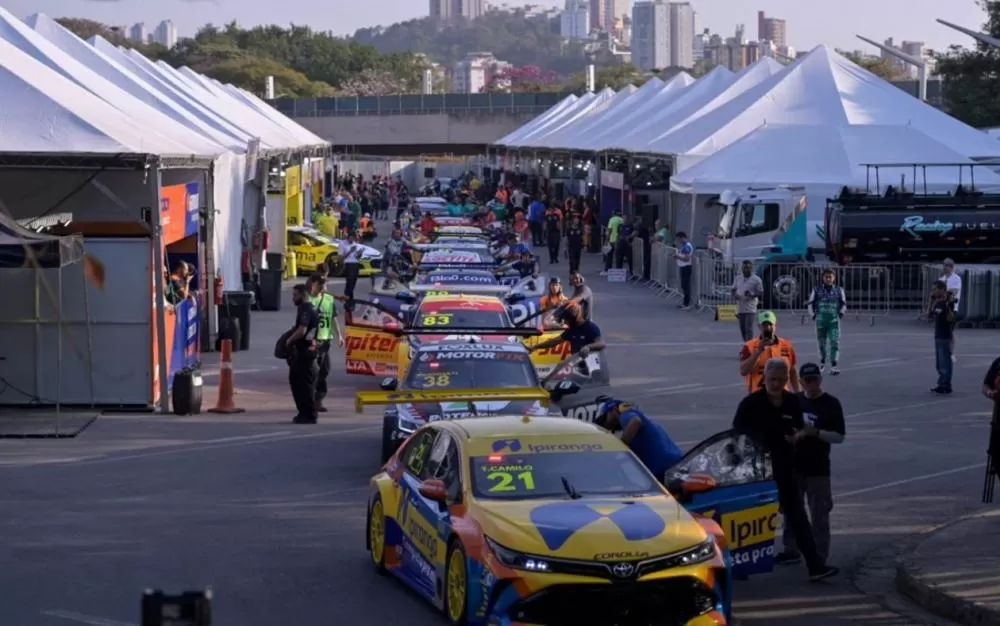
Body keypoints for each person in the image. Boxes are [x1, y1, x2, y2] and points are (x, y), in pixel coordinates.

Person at [733, 358, 840, 581]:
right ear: (765, 378)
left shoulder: (792, 402)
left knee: (797, 516)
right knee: (749, 517)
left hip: (784, 467)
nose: (776, 384)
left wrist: (795, 437)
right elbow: (736, 435)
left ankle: (815, 566)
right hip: (757, 471)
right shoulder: (751, 403)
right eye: (772, 379)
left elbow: (797, 427)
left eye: (781, 380)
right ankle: (741, 566)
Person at [776, 363, 846, 565]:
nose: (810, 384)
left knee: (820, 515)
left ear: (820, 380)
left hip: (818, 468)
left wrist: (816, 433)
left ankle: (819, 556)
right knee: (791, 511)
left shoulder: (831, 404)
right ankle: (791, 549)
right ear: (800, 381)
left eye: (814, 379)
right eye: (807, 380)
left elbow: (839, 436)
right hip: (794, 466)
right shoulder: (794, 401)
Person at [595, 398, 684, 481]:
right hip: (675, 461)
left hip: (662, 466)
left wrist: (620, 446)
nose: (605, 425)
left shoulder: (625, 414)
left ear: (614, 410)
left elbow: (635, 421)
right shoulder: (640, 416)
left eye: (604, 419)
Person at [528, 301, 605, 376]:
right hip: (578, 368)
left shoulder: (590, 327)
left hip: (592, 370)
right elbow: (554, 342)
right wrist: (536, 347)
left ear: (573, 317)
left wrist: (588, 347)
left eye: (566, 319)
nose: (565, 322)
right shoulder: (571, 330)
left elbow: (601, 343)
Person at [308, 273, 344, 413]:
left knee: (324, 370)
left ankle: (318, 399)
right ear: (313, 284)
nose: (323, 287)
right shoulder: (309, 300)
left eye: (324, 284)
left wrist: (339, 335)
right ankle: (310, 400)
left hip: (325, 341)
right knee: (313, 372)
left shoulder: (328, 299)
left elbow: (333, 318)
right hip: (313, 341)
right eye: (320, 284)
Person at [739, 310, 799, 393]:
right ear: (759, 326)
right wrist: (758, 351)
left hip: (782, 394)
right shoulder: (749, 346)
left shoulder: (787, 345)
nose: (768, 328)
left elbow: (792, 371)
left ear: (775, 325)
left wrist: (798, 393)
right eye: (764, 325)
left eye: (770, 324)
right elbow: (743, 371)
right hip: (758, 395)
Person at [286, 284, 320, 424]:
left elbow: (302, 330)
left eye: (295, 295)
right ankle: (304, 413)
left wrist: (289, 341)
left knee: (303, 385)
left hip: (305, 352)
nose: (293, 298)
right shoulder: (309, 308)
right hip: (306, 351)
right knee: (297, 381)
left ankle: (309, 415)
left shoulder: (306, 309)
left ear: (304, 294)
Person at [806, 269, 847, 375]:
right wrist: (813, 315)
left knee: (835, 342)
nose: (828, 279)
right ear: (823, 278)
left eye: (830, 277)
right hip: (820, 321)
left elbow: (843, 303)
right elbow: (810, 303)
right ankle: (822, 364)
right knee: (821, 343)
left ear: (834, 278)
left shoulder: (839, 290)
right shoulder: (816, 289)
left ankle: (834, 366)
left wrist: (841, 313)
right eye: (826, 277)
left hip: (834, 321)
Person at [928, 279, 956, 394]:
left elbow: (951, 318)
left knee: (945, 361)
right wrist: (931, 300)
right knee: (939, 362)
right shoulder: (938, 302)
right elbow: (930, 315)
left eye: (935, 289)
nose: (933, 291)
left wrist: (949, 303)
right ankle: (941, 383)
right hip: (938, 334)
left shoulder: (948, 303)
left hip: (945, 335)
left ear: (942, 289)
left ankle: (946, 384)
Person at [732, 260, 764, 342]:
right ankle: (747, 345)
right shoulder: (738, 278)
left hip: (750, 306)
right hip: (740, 305)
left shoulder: (756, 280)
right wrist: (734, 295)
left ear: (751, 268)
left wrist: (752, 295)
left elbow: (760, 291)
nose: (746, 270)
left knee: (748, 328)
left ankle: (749, 347)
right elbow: (733, 288)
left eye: (748, 268)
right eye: (744, 268)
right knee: (743, 329)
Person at [940, 259, 962, 361]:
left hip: (952, 308)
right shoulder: (941, 279)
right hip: (942, 308)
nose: (945, 268)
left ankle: (952, 353)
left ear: (951, 267)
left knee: (950, 331)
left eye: (947, 266)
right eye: (944, 265)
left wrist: (944, 293)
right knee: (942, 331)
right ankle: (945, 351)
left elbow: (953, 291)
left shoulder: (956, 278)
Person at [338, 231, 363, 300]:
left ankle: (349, 298)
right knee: (350, 282)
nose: (352, 240)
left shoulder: (355, 244)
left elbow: (357, 257)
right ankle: (347, 297)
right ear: (348, 237)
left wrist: (360, 254)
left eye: (354, 239)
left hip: (356, 264)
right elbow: (340, 258)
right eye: (351, 238)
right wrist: (350, 251)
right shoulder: (342, 244)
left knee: (353, 282)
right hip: (348, 264)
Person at [675, 232, 694, 310]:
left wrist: (677, 257)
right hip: (683, 266)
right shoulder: (685, 246)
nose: (678, 241)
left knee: (686, 285)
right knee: (684, 285)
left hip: (686, 267)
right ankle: (684, 303)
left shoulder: (687, 246)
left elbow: (686, 258)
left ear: (682, 238)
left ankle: (687, 304)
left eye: (678, 239)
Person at [603, 210, 623, 274]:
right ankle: (619, 271)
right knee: (618, 257)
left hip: (612, 240)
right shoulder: (622, 220)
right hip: (619, 240)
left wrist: (606, 240)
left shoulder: (612, 220)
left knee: (609, 256)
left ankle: (607, 270)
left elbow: (610, 230)